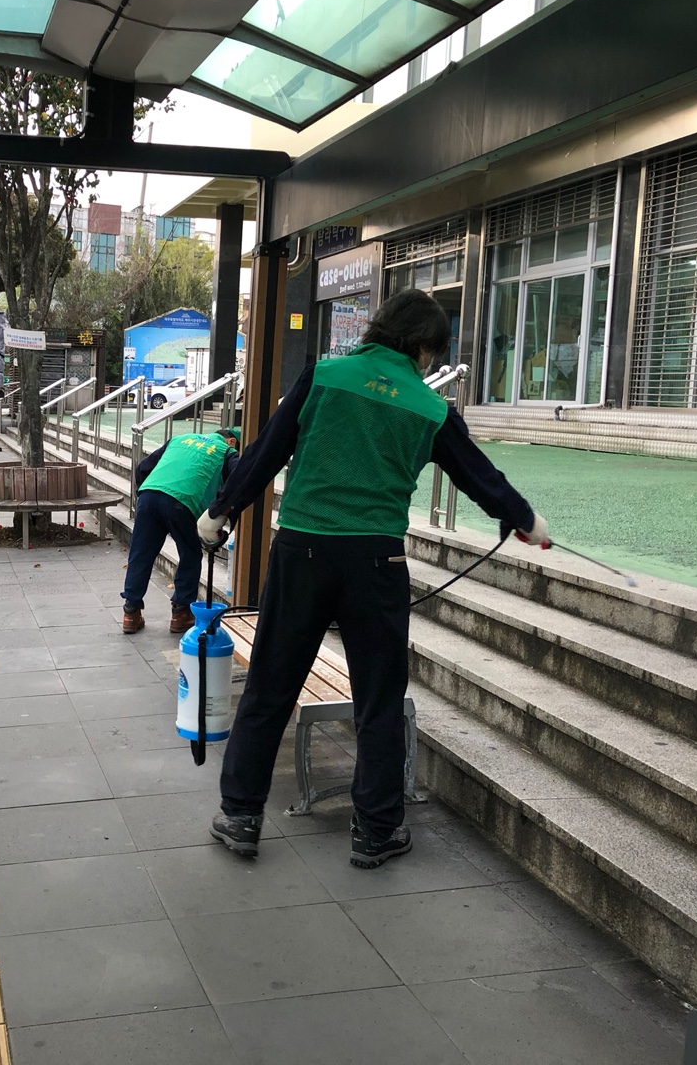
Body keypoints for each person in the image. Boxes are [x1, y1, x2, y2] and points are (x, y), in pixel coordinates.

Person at [198, 289, 550, 869]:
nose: (431, 364)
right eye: (432, 353)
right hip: (377, 565)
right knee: (379, 700)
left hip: (302, 552)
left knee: (270, 686)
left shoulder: (324, 376)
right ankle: (376, 830)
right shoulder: (431, 408)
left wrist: (223, 511)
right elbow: (481, 477)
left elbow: (265, 451)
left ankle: (240, 815)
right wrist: (525, 521)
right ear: (419, 346)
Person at [121, 428, 240, 634]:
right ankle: (181, 613)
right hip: (182, 502)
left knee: (140, 553)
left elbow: (143, 467)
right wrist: (223, 517)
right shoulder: (227, 451)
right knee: (190, 554)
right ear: (231, 441)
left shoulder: (180, 439)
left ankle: (130, 613)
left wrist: (146, 496)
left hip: (149, 494)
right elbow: (240, 481)